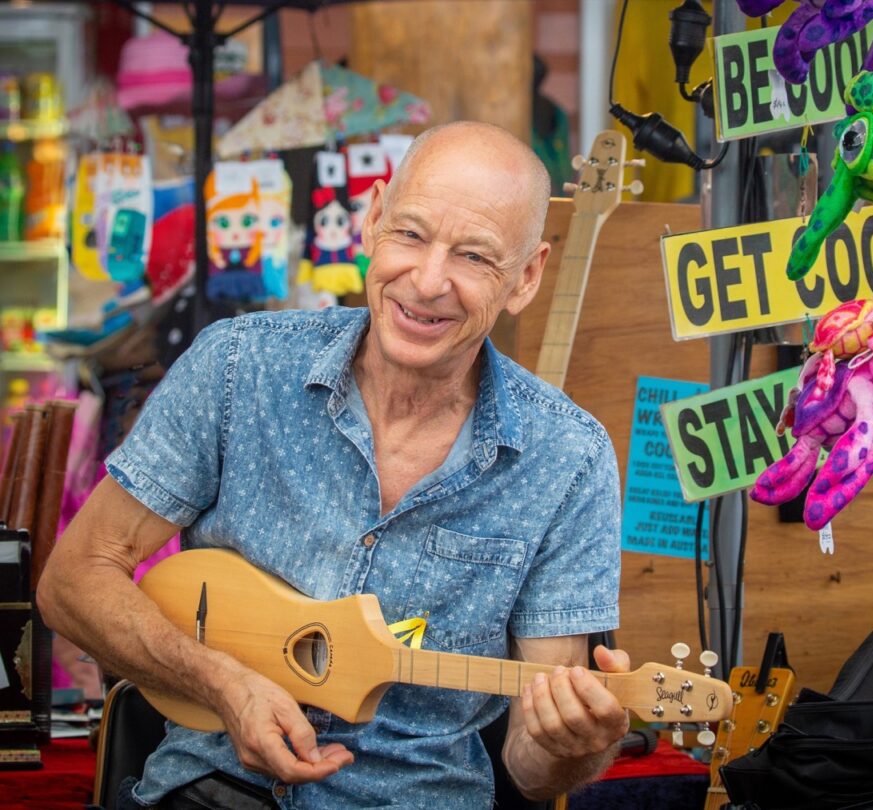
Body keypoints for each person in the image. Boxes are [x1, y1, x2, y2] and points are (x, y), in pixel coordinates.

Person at [38, 121, 627, 809]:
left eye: (473, 257)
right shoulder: (238, 367)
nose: (428, 281)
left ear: (527, 276)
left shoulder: (569, 459)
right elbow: (71, 582)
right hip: (210, 791)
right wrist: (222, 685)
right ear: (372, 220)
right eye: (410, 234)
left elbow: (531, 771)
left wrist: (569, 745)